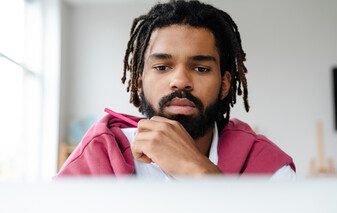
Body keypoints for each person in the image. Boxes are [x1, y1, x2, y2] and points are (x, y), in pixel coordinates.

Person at [56, 0, 295, 179]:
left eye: (201, 69)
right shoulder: (102, 153)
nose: (180, 81)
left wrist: (195, 169)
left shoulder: (268, 166)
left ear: (224, 85)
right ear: (139, 83)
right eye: (161, 67)